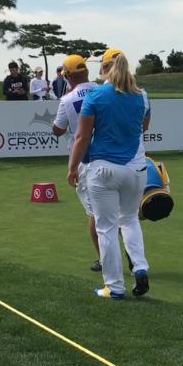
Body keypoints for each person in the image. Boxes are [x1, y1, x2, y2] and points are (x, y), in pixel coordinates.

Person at [68, 48, 151, 299]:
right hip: (136, 169)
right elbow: (144, 127)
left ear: (104, 69)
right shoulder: (141, 95)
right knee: (130, 219)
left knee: (106, 228)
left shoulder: (96, 96)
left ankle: (114, 287)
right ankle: (140, 267)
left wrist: (72, 168)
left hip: (103, 169)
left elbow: (82, 137)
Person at [52, 55, 101, 271]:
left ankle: (104, 259)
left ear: (67, 76)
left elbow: (58, 129)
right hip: (109, 154)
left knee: (94, 212)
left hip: (84, 158)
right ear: (87, 72)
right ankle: (132, 254)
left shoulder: (67, 100)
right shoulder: (103, 90)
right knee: (118, 213)